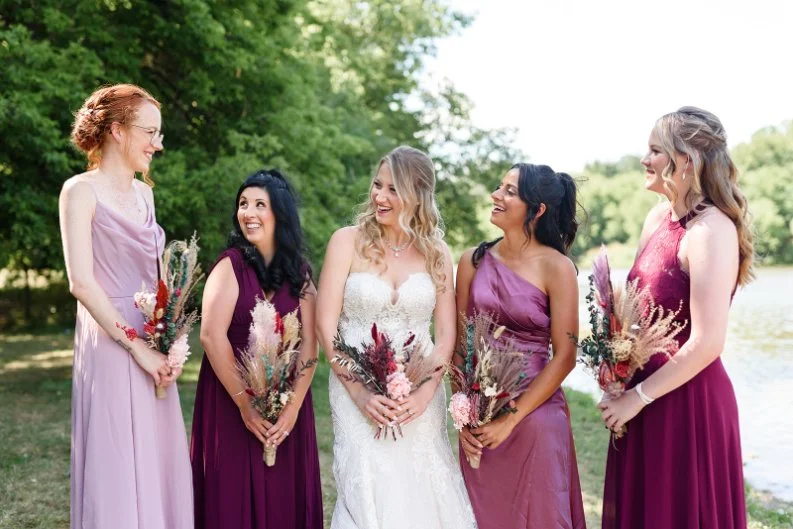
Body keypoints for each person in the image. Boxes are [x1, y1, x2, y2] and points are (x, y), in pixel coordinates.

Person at [599, 106, 753, 529]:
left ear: (685, 160)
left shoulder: (710, 231)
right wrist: (615, 368)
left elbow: (707, 342)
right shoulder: (656, 219)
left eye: (654, 150)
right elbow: (635, 313)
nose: (644, 160)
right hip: (641, 401)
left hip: (688, 406)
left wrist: (637, 398)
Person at [316, 146, 476, 529]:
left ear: (418, 195)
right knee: (367, 491)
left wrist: (424, 393)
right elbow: (326, 327)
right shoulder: (346, 241)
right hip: (355, 393)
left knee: (423, 490)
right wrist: (359, 392)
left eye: (392, 189)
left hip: (420, 396)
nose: (379, 196)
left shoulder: (436, 252)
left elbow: (445, 336)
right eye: (377, 185)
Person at [60, 84, 192, 529]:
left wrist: (168, 340)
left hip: (152, 339)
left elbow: (157, 282)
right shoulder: (79, 191)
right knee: (115, 459)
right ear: (116, 130)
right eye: (150, 132)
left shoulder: (146, 194)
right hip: (111, 339)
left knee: (156, 459)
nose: (159, 143)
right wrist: (137, 346)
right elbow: (81, 281)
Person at [455, 163, 586, 529]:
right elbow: (461, 349)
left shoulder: (557, 267)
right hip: (480, 414)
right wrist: (464, 416)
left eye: (510, 191)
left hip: (536, 413)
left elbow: (565, 356)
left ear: (538, 209)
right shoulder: (472, 261)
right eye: (500, 188)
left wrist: (511, 417)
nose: (496, 196)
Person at [191, 170, 323, 529]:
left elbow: (310, 344)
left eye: (259, 204)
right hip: (231, 401)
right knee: (231, 498)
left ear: (279, 213)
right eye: (243, 204)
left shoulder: (301, 273)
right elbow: (210, 335)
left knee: (285, 499)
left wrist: (292, 408)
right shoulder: (229, 266)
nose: (247, 212)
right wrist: (245, 404)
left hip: (287, 406)